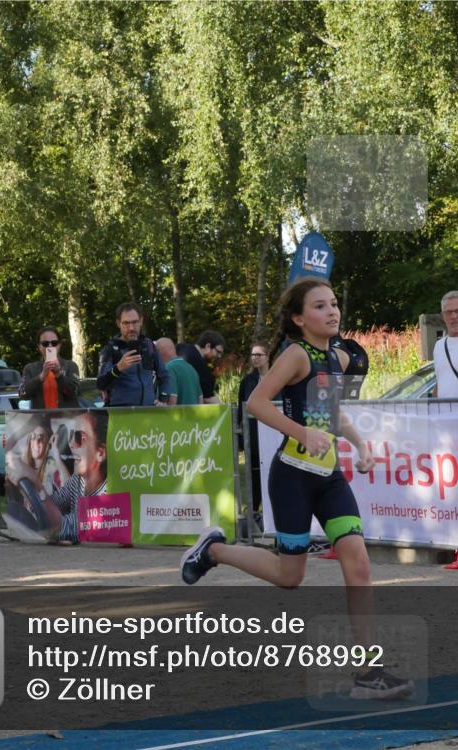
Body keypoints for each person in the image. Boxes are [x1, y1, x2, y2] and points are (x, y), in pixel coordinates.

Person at [179, 277, 413, 700]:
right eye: (321, 306)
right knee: (291, 576)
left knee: (357, 562)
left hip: (329, 478)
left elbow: (332, 415)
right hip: (291, 476)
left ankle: (368, 672)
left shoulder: (336, 359)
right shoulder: (294, 355)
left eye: (334, 304)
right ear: (299, 318)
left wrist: (359, 445)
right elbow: (256, 403)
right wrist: (302, 433)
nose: (332, 311)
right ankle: (213, 549)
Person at [6, 411, 108, 544]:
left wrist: (36, 482)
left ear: (100, 453)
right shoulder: (78, 481)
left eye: (79, 437)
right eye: (71, 436)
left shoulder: (106, 496)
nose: (71, 443)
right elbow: (54, 503)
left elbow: (62, 528)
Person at [96, 303, 172, 407]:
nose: (131, 328)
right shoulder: (110, 349)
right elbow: (100, 384)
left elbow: (164, 376)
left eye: (135, 322)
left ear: (141, 321)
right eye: (126, 323)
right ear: (118, 323)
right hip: (120, 413)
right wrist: (118, 368)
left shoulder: (148, 345)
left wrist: (163, 398)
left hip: (147, 412)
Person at [237, 343, 270, 516]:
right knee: (254, 471)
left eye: (259, 355)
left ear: (267, 357)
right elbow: (241, 408)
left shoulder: (278, 378)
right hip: (253, 433)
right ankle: (254, 510)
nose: (255, 358)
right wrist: (240, 436)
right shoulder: (247, 381)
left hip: (273, 431)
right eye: (253, 355)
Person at [18, 326, 81, 409]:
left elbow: (75, 394)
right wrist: (40, 377)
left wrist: (59, 375)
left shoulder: (70, 366)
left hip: (66, 419)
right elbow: (22, 394)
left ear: (59, 345)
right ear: (39, 347)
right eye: (45, 343)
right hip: (42, 419)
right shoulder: (30, 368)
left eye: (54, 343)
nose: (50, 346)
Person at [177, 331, 226, 404]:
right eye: (218, 352)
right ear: (208, 346)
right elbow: (208, 397)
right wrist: (225, 410)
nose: (219, 356)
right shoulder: (201, 366)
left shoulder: (179, 348)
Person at [155, 337, 203, 406]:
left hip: (178, 416)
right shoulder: (191, 368)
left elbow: (172, 402)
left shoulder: (168, 369)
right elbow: (200, 399)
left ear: (159, 352)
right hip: (193, 416)